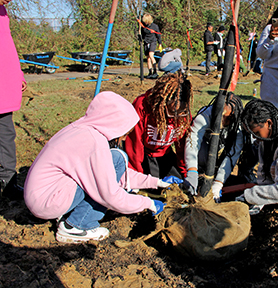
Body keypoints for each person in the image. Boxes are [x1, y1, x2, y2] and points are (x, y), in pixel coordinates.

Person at [24, 91, 176, 243]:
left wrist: (156, 182)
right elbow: (110, 195)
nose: (123, 138)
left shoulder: (83, 129)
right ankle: (77, 226)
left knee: (116, 159)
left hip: (45, 195)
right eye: (125, 132)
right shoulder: (94, 143)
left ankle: (70, 214)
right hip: (47, 202)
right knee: (117, 159)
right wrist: (147, 203)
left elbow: (116, 173)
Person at [125, 72, 192, 180]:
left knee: (178, 184)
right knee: (154, 188)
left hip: (166, 154)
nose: (175, 116)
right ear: (162, 102)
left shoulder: (182, 113)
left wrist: (186, 173)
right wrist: (136, 177)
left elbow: (182, 147)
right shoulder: (142, 106)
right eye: (171, 111)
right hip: (145, 156)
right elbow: (135, 144)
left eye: (180, 112)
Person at [183, 93, 245, 202]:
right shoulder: (205, 115)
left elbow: (234, 153)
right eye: (220, 115)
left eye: (227, 117)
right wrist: (192, 170)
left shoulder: (238, 126)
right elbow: (192, 141)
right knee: (202, 157)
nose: (222, 120)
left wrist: (218, 183)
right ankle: (200, 174)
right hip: (205, 145)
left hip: (224, 147)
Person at [0, 0, 27, 199]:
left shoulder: (3, 12)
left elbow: (6, 46)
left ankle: (8, 182)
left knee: (6, 136)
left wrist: (18, 74)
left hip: (4, 86)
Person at [141, 13, 162, 79]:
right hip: (146, 42)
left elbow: (158, 35)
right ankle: (150, 72)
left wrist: (160, 43)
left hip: (153, 41)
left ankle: (155, 72)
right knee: (148, 58)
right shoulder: (143, 26)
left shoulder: (154, 26)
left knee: (151, 55)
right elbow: (142, 34)